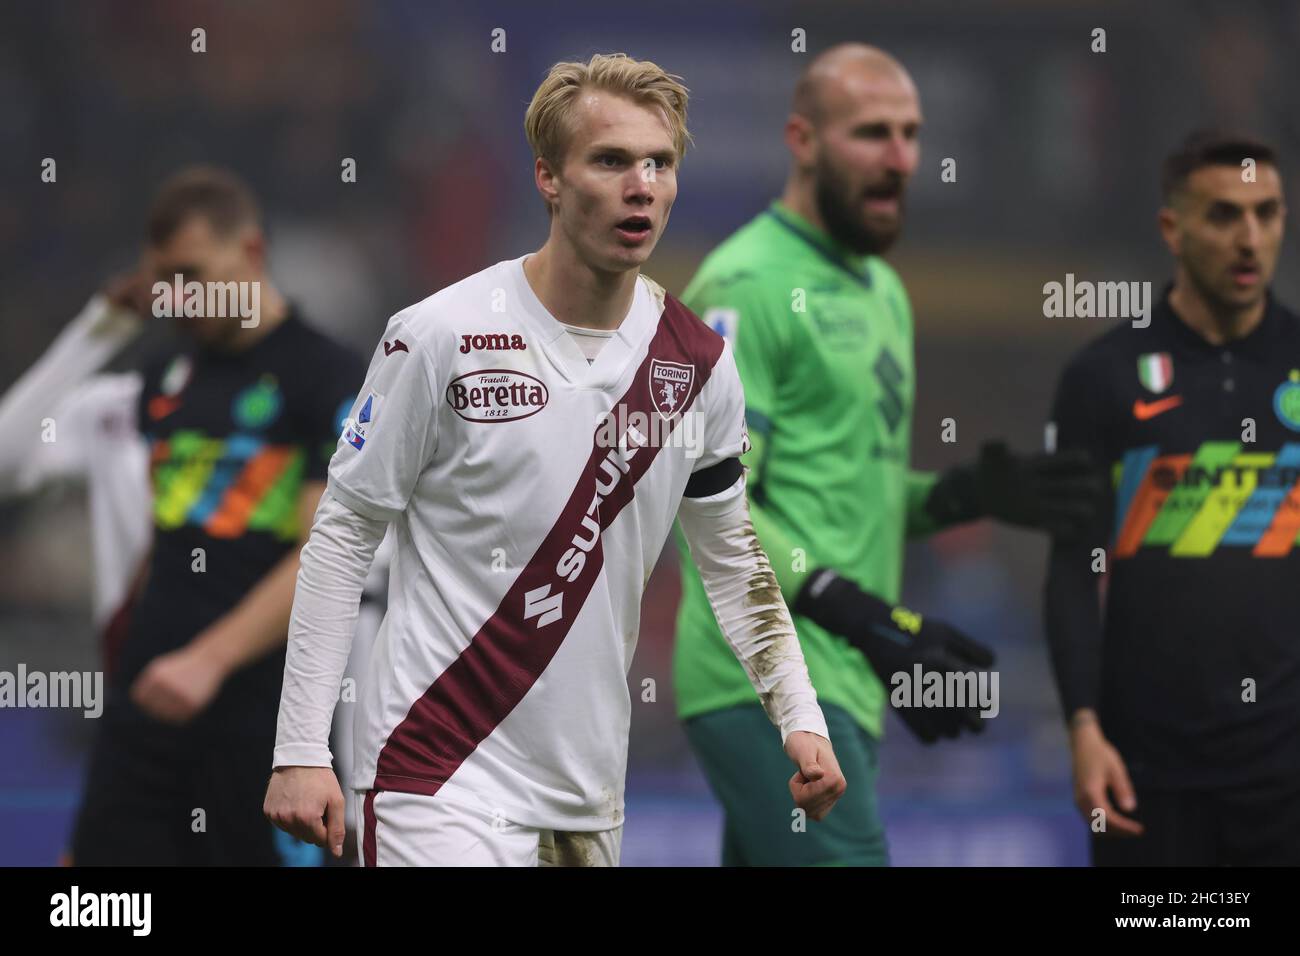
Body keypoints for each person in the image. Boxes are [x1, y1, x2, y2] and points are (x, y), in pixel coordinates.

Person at [265, 52, 844, 867]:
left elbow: (731, 558)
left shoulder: (700, 364)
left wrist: (800, 716)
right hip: (432, 772)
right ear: (548, 178)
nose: (641, 184)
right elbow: (342, 536)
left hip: (585, 796)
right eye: (610, 161)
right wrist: (301, 748)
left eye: (660, 163)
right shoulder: (441, 334)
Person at [674, 43, 1100, 866]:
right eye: (872, 133)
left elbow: (848, 495)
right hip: (764, 679)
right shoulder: (747, 284)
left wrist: (967, 494)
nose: (900, 158)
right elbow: (704, 503)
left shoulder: (884, 291)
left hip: (845, 681)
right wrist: (854, 608)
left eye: (910, 134)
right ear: (803, 140)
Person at [68, 166, 365, 865]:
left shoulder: (325, 375)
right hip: (148, 699)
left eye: (193, 273)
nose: (177, 296)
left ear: (252, 253)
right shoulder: (162, 374)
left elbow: (324, 555)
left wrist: (209, 659)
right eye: (163, 279)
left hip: (260, 713)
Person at [1046, 130, 1300, 866]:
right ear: (1173, 228)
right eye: (1224, 215)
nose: (1249, 238)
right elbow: (1071, 569)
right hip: (1147, 775)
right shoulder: (1104, 377)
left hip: (1287, 779)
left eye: (1267, 212)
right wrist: (1083, 728)